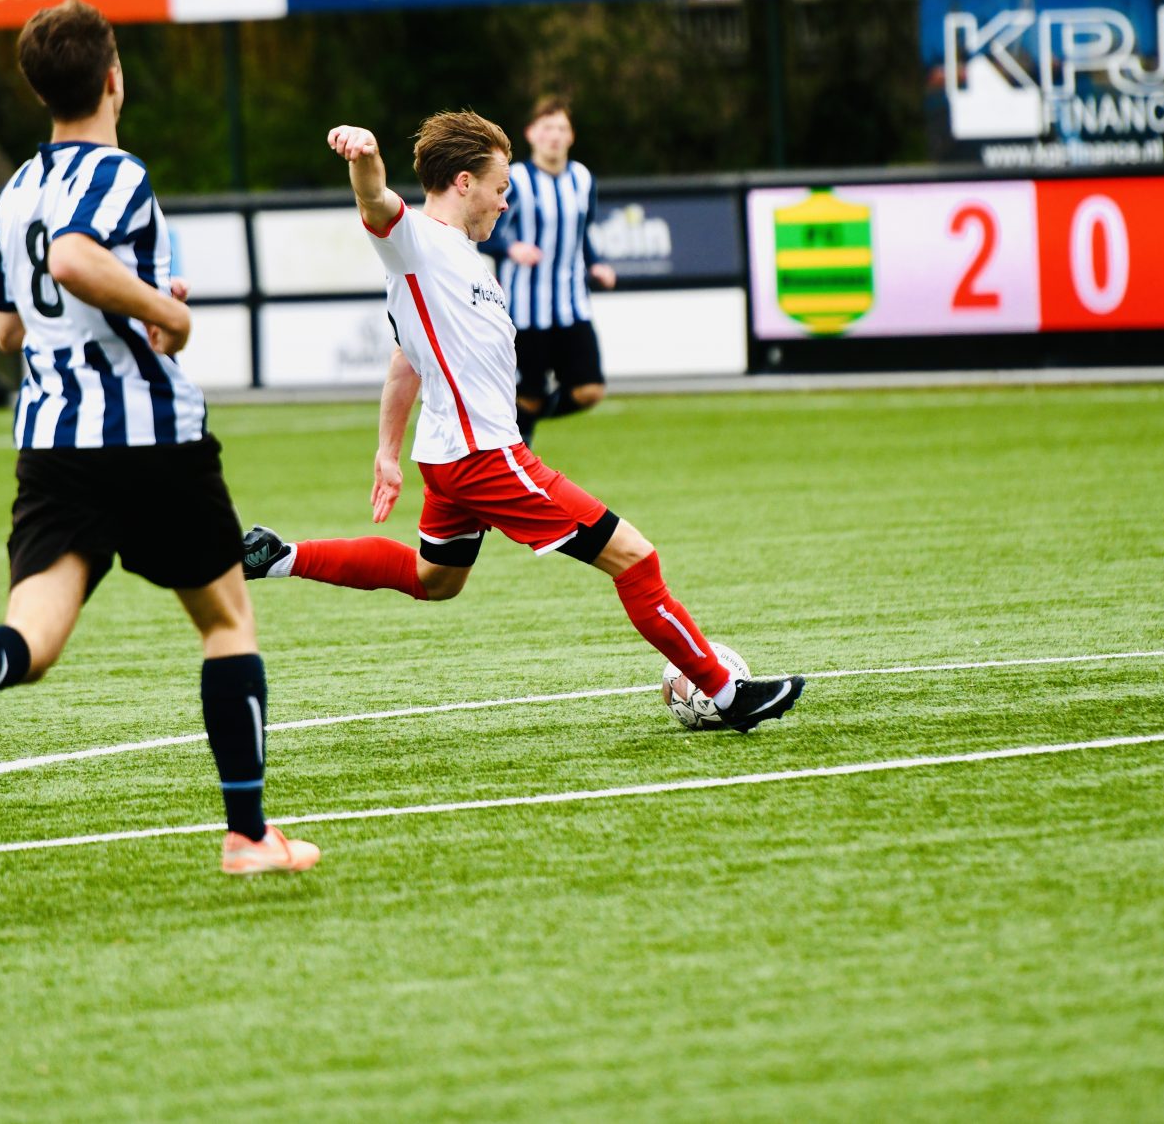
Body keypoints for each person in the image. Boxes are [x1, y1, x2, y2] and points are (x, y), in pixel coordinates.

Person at [0, 0, 316, 876]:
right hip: (147, 436)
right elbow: (72, 259)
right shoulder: (117, 174)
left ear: (41, 93)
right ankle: (250, 836)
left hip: (50, 437)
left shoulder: (13, 192)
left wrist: (84, 311)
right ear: (114, 77)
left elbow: (6, 331)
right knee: (227, 623)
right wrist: (164, 314)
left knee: (31, 638)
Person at [241, 112, 804, 733]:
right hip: (486, 458)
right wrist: (363, 153)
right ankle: (727, 696)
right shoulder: (416, 241)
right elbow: (374, 199)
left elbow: (406, 358)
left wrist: (387, 452)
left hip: (450, 456)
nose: (506, 204)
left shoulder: (459, 259)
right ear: (462, 183)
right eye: (501, 188)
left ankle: (279, 556)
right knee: (635, 558)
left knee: (435, 580)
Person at [477, 95, 616, 448]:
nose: (554, 136)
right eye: (547, 128)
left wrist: (596, 263)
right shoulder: (517, 180)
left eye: (561, 128)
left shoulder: (583, 179)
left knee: (590, 390)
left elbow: (581, 233)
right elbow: (484, 235)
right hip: (524, 309)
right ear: (531, 134)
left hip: (572, 307)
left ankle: (523, 423)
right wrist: (512, 248)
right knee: (529, 394)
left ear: (571, 136)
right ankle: (516, 443)